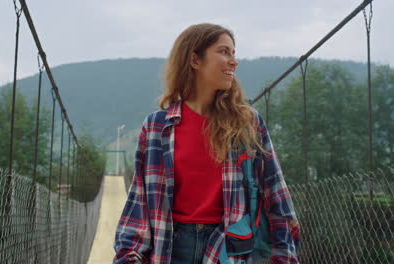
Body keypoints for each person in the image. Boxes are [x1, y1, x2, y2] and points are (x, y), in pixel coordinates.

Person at [113, 23, 300, 264]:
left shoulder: (247, 123)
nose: (234, 61)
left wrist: (285, 257)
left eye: (234, 53)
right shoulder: (157, 127)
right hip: (169, 248)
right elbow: (139, 202)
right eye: (224, 52)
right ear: (195, 60)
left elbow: (277, 196)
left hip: (227, 250)